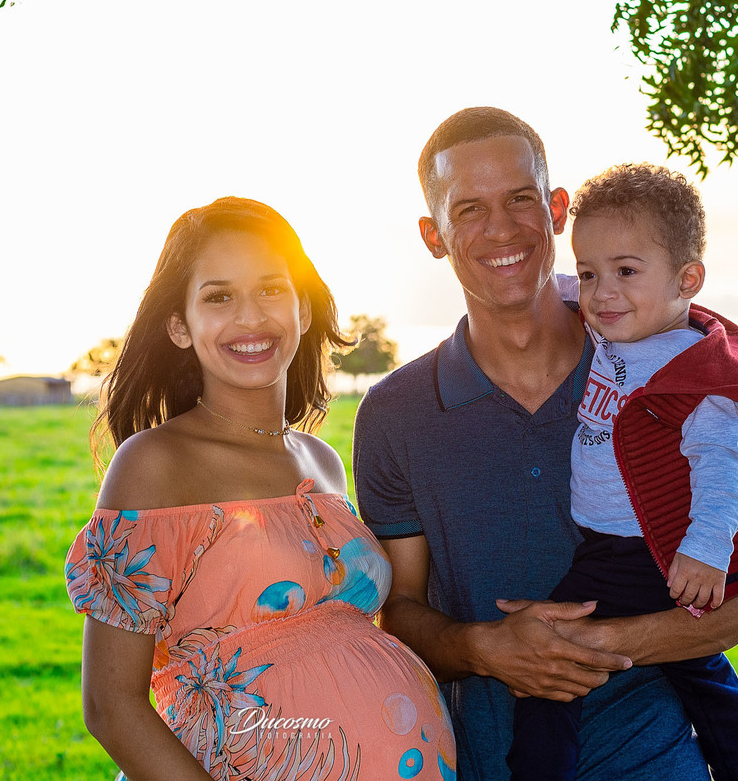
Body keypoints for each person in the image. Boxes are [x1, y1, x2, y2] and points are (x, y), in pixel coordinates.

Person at [352, 108, 738, 781]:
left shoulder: (671, 368)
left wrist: (594, 644)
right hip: (489, 764)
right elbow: (399, 612)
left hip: (657, 759)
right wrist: (485, 649)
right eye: (469, 209)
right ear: (433, 235)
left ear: (557, 210)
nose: (500, 229)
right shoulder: (394, 413)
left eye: (520, 199)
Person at [65, 196, 457, 781]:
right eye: (219, 297)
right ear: (179, 326)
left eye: (271, 289)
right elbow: (110, 707)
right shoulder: (155, 464)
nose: (250, 317)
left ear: (303, 308)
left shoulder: (322, 462)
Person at [505, 163, 738, 781]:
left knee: (680, 674)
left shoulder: (696, 374)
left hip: (658, 553)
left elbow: (722, 467)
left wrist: (705, 550)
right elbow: (552, 288)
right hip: (603, 548)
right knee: (582, 669)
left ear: (687, 279)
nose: (602, 293)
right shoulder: (610, 330)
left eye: (626, 272)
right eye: (590, 273)